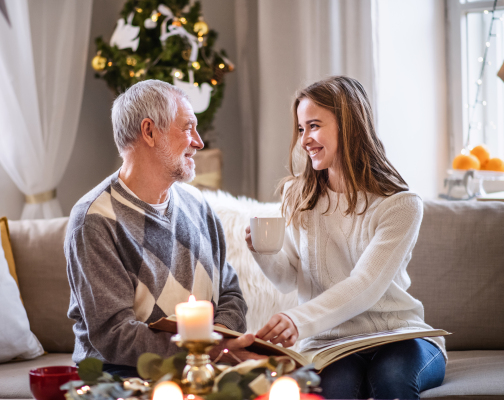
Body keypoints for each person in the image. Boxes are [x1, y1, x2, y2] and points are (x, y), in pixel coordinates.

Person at [245, 76, 446, 400]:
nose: (304, 140)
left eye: (313, 126)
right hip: (330, 343)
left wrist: (297, 320)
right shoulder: (298, 196)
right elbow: (287, 279)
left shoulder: (400, 205)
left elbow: (365, 284)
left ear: (348, 126)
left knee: (391, 380)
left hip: (398, 337)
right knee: (334, 390)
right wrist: (261, 250)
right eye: (300, 129)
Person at [65, 79, 261, 378]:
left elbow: (230, 292)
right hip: (125, 376)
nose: (198, 141)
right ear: (149, 131)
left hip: (204, 369)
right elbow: (114, 334)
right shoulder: (94, 219)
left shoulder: (198, 204)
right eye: (187, 127)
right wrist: (202, 352)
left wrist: (217, 349)